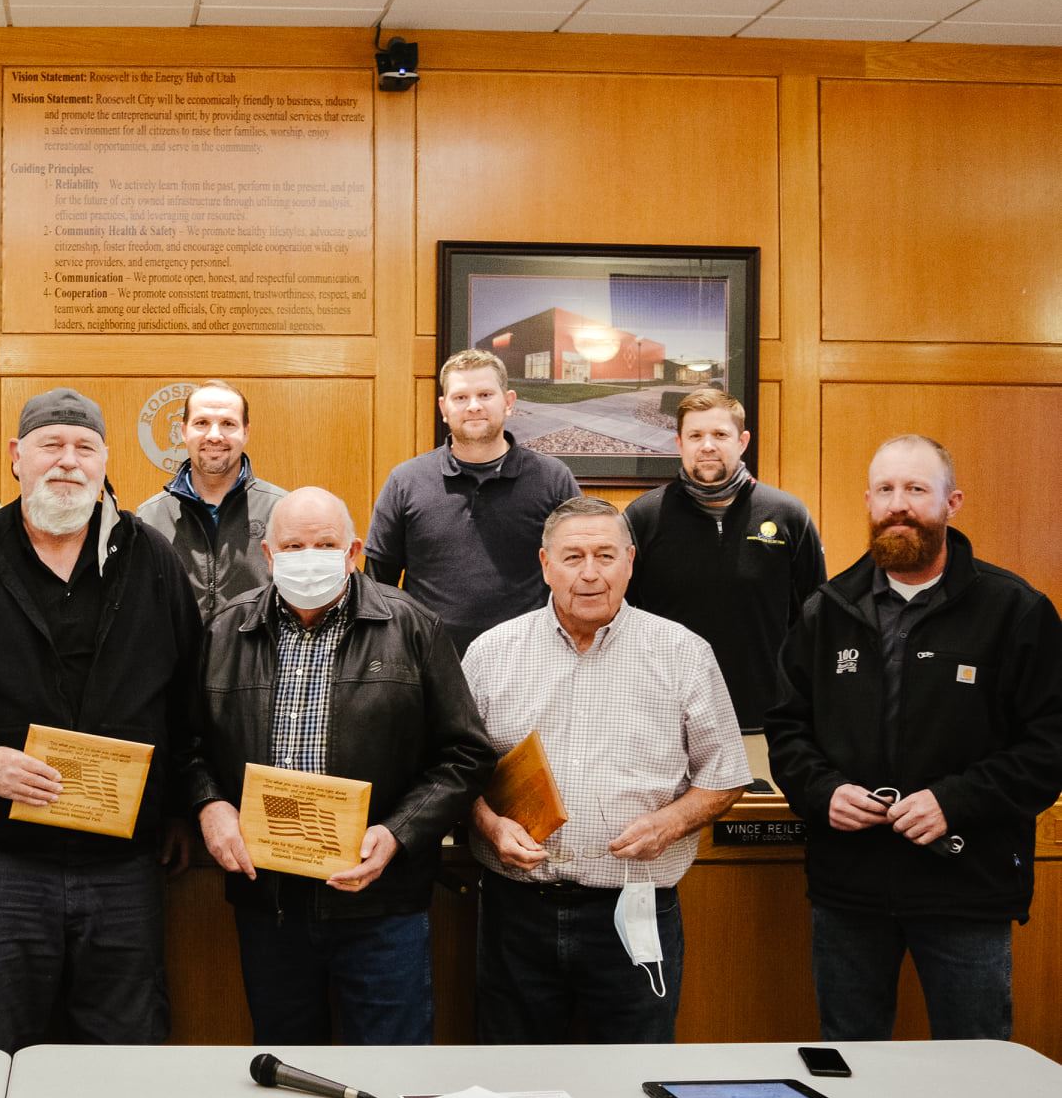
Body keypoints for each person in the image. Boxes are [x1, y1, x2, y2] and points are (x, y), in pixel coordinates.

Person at [766, 436, 1062, 1098]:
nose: (899, 503)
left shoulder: (1015, 610)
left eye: (917, 490)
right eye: (884, 489)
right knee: (846, 1078)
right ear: (867, 502)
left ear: (950, 504)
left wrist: (955, 799)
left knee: (981, 1080)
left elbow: (1050, 745)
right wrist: (824, 792)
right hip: (851, 891)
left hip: (964, 888)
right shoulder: (826, 609)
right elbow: (787, 733)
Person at [0, 386, 203, 1054]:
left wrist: (177, 806)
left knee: (126, 1045)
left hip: (123, 866)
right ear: (16, 457)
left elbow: (189, 697)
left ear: (105, 459)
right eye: (51, 445)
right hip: (2, 862)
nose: (68, 461)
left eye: (84, 447)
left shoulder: (152, 562)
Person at [463, 495, 749, 1098]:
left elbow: (725, 776)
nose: (590, 572)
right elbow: (456, 774)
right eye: (573, 557)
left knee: (639, 1092)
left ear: (630, 562)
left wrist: (671, 821)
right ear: (545, 564)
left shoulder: (682, 651)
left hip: (636, 914)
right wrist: (491, 825)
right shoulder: (491, 651)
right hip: (517, 911)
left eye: (606, 556)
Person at [189, 486, 494, 1048]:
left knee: (390, 1071)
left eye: (325, 544)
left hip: (380, 901)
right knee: (286, 1071)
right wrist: (211, 807)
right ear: (268, 554)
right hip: (269, 900)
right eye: (294, 545)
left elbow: (464, 753)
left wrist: (397, 834)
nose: (310, 557)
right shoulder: (224, 630)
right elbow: (189, 745)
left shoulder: (412, 627)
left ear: (353, 551)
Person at [625, 388, 825, 782]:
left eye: (720, 435)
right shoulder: (643, 517)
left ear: (742, 440)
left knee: (753, 838)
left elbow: (815, 623)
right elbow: (623, 621)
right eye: (696, 436)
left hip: (764, 725)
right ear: (679, 443)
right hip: (665, 725)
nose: (707, 446)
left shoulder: (788, 515)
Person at [365, 348, 579, 652]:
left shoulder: (553, 479)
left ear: (508, 402)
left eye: (485, 394)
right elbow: (378, 587)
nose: (473, 406)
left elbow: (577, 569)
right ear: (443, 407)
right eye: (461, 397)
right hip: (429, 663)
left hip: (527, 661)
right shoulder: (405, 481)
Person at [135, 379, 287, 620]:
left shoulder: (282, 510)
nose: (214, 436)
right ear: (184, 431)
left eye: (228, 423)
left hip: (255, 657)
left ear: (246, 432)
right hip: (179, 658)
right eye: (202, 423)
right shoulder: (149, 517)